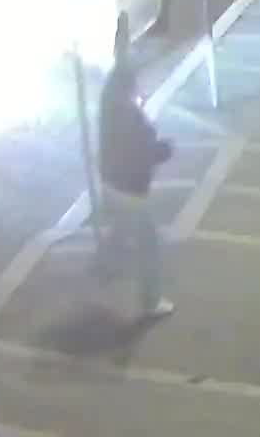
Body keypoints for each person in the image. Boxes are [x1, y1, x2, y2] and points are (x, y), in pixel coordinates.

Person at [93, 48, 173, 324]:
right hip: (130, 190)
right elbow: (143, 152)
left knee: (120, 229)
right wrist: (164, 149)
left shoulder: (108, 103)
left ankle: (105, 267)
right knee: (149, 244)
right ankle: (151, 302)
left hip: (110, 183)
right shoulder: (130, 115)